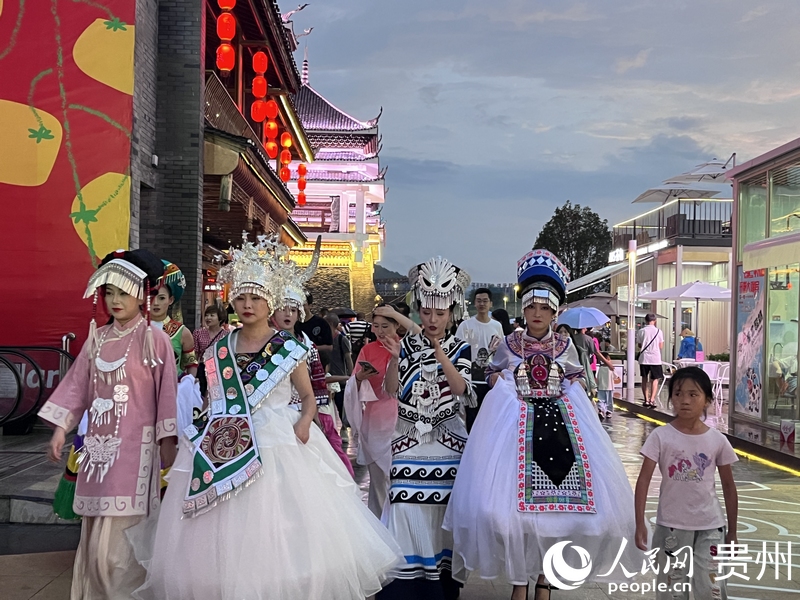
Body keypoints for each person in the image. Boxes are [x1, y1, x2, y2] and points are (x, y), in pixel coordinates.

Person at [129, 235, 400, 600]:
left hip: (277, 437)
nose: (247, 305)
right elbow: (215, 397)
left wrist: (304, 422)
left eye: (256, 298)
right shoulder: (220, 347)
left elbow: (308, 396)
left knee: (279, 528)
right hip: (223, 438)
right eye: (241, 297)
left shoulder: (289, 347)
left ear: (269, 301)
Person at [444, 249, 640, 600]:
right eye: (532, 307)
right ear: (524, 309)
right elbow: (491, 373)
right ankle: (520, 579)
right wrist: (501, 381)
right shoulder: (510, 343)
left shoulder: (565, 345)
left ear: (554, 311)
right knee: (510, 511)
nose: (537, 314)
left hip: (561, 430)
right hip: (514, 429)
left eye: (544, 308)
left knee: (559, 514)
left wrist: (570, 386)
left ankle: (544, 580)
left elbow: (578, 378)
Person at [39, 249, 178, 599]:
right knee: (94, 545)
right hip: (98, 453)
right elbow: (77, 386)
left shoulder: (155, 339)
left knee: (118, 552)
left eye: (124, 293)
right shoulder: (97, 339)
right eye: (109, 292)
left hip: (135, 451)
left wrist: (168, 440)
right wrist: (61, 428)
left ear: (142, 295)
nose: (115, 301)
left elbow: (167, 393)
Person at [377, 257, 475, 600]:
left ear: (451, 313)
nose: (432, 319)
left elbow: (462, 390)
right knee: (404, 505)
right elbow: (391, 389)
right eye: (427, 312)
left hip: (448, 443)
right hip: (409, 442)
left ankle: (441, 583)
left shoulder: (461, 347)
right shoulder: (404, 345)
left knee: (443, 513)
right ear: (418, 310)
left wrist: (439, 352)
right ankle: (406, 585)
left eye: (440, 313)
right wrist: (394, 358)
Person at [634, 367, 739, 600]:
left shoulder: (717, 440)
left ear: (707, 400)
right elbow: (643, 481)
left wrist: (732, 531)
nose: (685, 400)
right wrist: (640, 523)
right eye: (678, 394)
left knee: (711, 588)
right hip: (671, 526)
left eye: (693, 394)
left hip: (711, 527)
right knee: (672, 589)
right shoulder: (661, 436)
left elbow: (729, 487)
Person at [343, 305, 414, 516]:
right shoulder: (368, 350)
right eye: (376, 326)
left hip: (401, 417)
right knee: (377, 482)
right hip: (374, 419)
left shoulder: (408, 347)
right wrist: (359, 378)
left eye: (385, 326)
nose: (380, 331)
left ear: (396, 325)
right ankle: (379, 525)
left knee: (401, 479)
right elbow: (353, 383)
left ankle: (401, 524)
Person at [456, 288, 504, 431]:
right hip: (472, 382)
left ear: (491, 303)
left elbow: (501, 351)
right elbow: (457, 351)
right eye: (479, 301)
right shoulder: (466, 325)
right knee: (472, 418)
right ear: (474, 303)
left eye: (485, 301)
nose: (482, 304)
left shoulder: (497, 326)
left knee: (490, 418)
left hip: (491, 380)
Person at [150, 261, 197, 377]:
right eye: (151, 297)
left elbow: (191, 364)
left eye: (161, 298)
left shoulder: (182, 332)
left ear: (170, 300)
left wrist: (190, 382)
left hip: (173, 385)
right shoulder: (135, 328)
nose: (156, 303)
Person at [326, 312, 353, 419]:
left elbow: (348, 358)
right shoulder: (323, 339)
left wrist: (352, 376)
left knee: (341, 408)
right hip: (326, 378)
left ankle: (343, 426)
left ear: (330, 323)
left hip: (340, 379)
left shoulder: (342, 339)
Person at [637, 313, 665, 408]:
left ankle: (646, 400)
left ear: (645, 320)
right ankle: (652, 400)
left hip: (644, 358)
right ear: (655, 321)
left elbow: (639, 345)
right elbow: (661, 346)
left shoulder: (641, 331)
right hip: (655, 359)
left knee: (644, 379)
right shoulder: (659, 331)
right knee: (655, 380)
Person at [596, 352, 617, 419]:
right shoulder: (611, 368)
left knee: (601, 399)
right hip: (609, 387)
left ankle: (601, 410)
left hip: (601, 387)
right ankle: (608, 412)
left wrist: (597, 385)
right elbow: (616, 377)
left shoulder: (600, 368)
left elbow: (597, 378)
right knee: (609, 400)